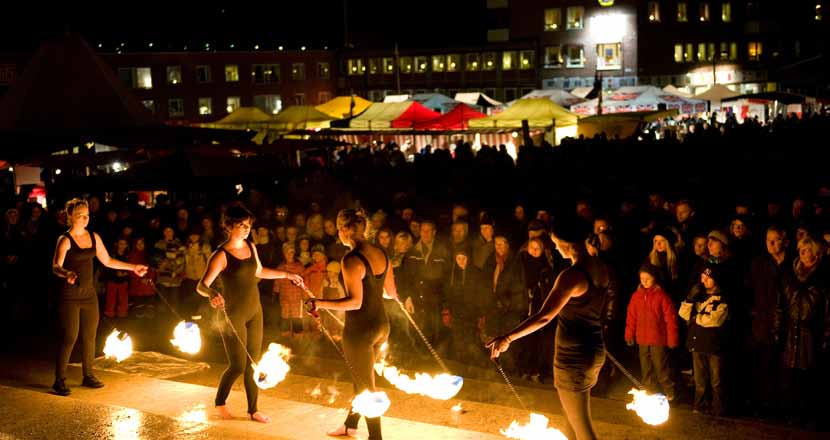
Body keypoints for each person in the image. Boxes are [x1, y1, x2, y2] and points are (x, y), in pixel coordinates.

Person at [488, 216, 609, 440]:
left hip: (573, 356)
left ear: (566, 243)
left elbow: (544, 317)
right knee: (571, 420)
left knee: (583, 429)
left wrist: (508, 338)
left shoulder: (572, 276)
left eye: (554, 242)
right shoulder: (599, 267)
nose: (553, 246)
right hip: (592, 348)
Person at [197, 205, 304, 423]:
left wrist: (287, 274)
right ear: (228, 226)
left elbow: (259, 271)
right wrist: (212, 294)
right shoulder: (221, 255)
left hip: (255, 311)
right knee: (237, 365)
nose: (247, 229)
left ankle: (253, 409)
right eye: (241, 225)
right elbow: (202, 285)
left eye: (249, 226)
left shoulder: (250, 246)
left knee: (254, 363)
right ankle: (220, 402)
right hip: (232, 315)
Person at [307, 209, 399, 440]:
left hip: (360, 331)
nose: (338, 232)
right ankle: (349, 425)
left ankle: (375, 437)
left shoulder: (351, 260)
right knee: (362, 379)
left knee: (368, 388)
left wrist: (319, 302)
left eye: (339, 228)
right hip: (382, 327)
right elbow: (391, 293)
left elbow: (355, 302)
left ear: (346, 230)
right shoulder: (382, 253)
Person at [51, 198, 148, 396]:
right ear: (70, 216)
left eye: (87, 215)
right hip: (70, 296)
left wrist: (133, 268)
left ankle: (88, 375)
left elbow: (108, 261)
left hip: (89, 295)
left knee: (90, 336)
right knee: (70, 336)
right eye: (80, 216)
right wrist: (66, 273)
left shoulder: (94, 237)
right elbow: (55, 266)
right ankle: (59, 380)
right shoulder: (65, 240)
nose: (85, 219)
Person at [625, 264, 679, 401]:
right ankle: (650, 393)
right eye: (642, 278)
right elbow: (631, 317)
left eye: (647, 278)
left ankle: (670, 393)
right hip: (642, 340)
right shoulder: (636, 296)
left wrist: (672, 339)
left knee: (661, 368)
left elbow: (670, 319)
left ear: (655, 278)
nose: (644, 281)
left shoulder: (662, 297)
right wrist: (629, 334)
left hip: (657, 340)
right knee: (646, 369)